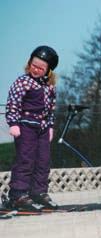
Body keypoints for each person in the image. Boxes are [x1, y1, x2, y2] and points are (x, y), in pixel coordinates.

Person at [4, 46, 59, 211]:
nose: (36, 70)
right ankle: (18, 194)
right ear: (29, 63)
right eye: (34, 65)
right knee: (25, 159)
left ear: (48, 71)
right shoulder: (23, 82)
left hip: (42, 128)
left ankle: (38, 192)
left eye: (41, 68)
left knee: (43, 160)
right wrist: (13, 123)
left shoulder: (50, 87)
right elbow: (13, 102)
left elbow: (51, 108)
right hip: (25, 126)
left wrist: (50, 126)